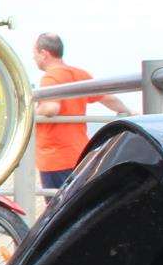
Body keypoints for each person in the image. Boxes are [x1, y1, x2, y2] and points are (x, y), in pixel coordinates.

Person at [32, 33, 130, 191]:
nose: (34, 59)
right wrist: (127, 112)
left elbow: (51, 108)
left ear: (44, 54)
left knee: (58, 208)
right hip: (80, 153)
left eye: (34, 54)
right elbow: (108, 99)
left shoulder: (50, 77)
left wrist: (32, 111)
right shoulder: (79, 74)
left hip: (55, 156)